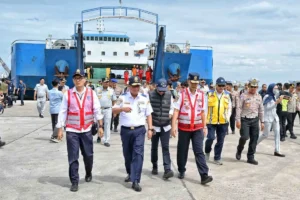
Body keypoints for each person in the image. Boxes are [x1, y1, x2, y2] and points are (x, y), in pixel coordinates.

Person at [56, 69, 104, 192]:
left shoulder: (91, 93)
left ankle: (88, 172)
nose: (78, 80)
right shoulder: (68, 93)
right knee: (73, 157)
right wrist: (60, 129)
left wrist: (100, 126)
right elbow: (62, 111)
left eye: (80, 78)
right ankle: (74, 181)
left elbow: (97, 110)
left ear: (85, 80)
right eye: (76, 78)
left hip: (87, 129)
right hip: (72, 130)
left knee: (88, 155)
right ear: (73, 80)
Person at [112, 76, 154, 192]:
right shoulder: (122, 97)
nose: (136, 88)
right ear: (129, 86)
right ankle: (130, 173)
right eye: (133, 86)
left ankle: (136, 180)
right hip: (126, 131)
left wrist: (150, 129)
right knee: (127, 154)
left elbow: (149, 114)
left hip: (139, 130)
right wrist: (122, 109)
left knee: (138, 154)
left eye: (137, 86)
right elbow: (114, 110)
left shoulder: (145, 98)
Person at [171, 72, 213, 185]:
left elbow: (203, 112)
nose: (194, 84)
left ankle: (204, 175)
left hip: (197, 128)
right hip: (184, 128)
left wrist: (205, 126)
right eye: (192, 82)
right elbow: (176, 111)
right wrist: (173, 126)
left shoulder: (202, 95)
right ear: (189, 81)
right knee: (182, 150)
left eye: (196, 82)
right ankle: (181, 170)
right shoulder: (182, 94)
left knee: (199, 151)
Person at [149, 78, 174, 179]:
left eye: (163, 90)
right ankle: (154, 165)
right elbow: (148, 110)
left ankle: (167, 169)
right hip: (154, 126)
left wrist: (170, 114)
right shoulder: (150, 95)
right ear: (156, 87)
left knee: (165, 147)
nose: (161, 92)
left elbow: (172, 107)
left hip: (165, 126)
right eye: (159, 90)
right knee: (154, 147)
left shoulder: (169, 95)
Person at [235, 78, 264, 165]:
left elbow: (261, 110)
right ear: (249, 86)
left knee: (254, 139)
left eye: (255, 87)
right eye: (252, 87)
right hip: (245, 119)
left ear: (257, 87)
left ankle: (250, 157)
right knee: (244, 137)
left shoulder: (259, 96)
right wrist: (238, 120)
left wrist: (262, 122)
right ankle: (239, 149)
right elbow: (239, 108)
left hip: (255, 119)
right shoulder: (243, 95)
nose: (253, 89)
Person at [205, 77, 231, 165]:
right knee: (211, 138)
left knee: (220, 141)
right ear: (216, 85)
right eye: (219, 85)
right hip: (211, 121)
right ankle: (207, 151)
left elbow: (229, 108)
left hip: (223, 122)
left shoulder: (227, 95)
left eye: (223, 85)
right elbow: (205, 108)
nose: (221, 87)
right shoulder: (209, 94)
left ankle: (217, 157)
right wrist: (204, 120)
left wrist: (227, 117)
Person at [257, 83, 285, 157]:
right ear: (271, 89)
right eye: (275, 88)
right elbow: (266, 108)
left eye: (277, 88)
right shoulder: (267, 97)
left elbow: (276, 105)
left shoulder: (274, 97)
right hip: (268, 118)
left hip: (275, 118)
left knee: (277, 134)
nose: (276, 90)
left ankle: (277, 150)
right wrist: (276, 102)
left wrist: (281, 100)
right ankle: (253, 144)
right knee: (265, 134)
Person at [95, 78, 116, 147]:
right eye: (105, 82)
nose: (106, 83)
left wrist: (110, 107)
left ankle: (106, 140)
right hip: (99, 109)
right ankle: (99, 136)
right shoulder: (97, 90)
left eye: (107, 82)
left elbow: (114, 101)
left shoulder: (111, 90)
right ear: (102, 83)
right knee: (99, 124)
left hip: (108, 109)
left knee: (107, 124)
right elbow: (94, 100)